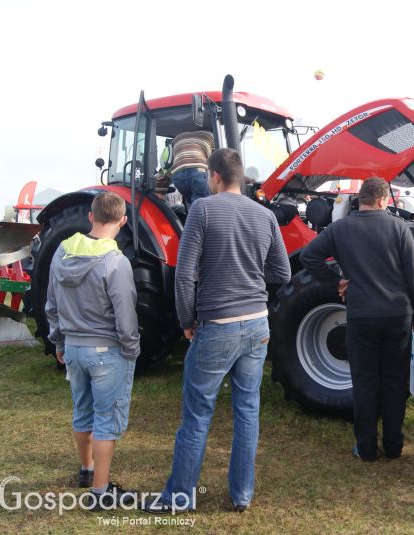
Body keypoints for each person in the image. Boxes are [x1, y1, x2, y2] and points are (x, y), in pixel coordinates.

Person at [147, 148, 290, 514]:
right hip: (257, 323)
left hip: (218, 324)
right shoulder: (264, 215)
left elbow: (184, 274)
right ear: (239, 177)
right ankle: (242, 495)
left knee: (197, 415)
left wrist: (186, 321)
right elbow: (283, 274)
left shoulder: (202, 209)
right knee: (247, 410)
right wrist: (251, 279)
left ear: (213, 176)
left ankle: (179, 497)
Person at [301, 177, 414, 461]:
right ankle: (394, 445)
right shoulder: (399, 228)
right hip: (397, 315)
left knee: (365, 381)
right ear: (383, 200)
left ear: (360, 199)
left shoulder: (340, 228)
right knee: (395, 382)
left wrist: (335, 283)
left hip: (362, 315)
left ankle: (366, 447)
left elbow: (309, 257)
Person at [45, 192, 140, 510]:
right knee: (105, 420)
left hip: (73, 347)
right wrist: (131, 349)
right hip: (106, 352)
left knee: (82, 411)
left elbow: (52, 304)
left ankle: (86, 469)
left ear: (90, 216)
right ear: (123, 221)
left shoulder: (61, 253)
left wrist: (58, 341)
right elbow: (125, 314)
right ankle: (100, 491)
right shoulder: (116, 262)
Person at [169, 130, 215, 206]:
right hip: (196, 172)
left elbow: (168, 163)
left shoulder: (176, 139)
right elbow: (214, 162)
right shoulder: (211, 137)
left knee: (190, 202)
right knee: (201, 205)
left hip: (177, 176)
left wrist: (161, 188)